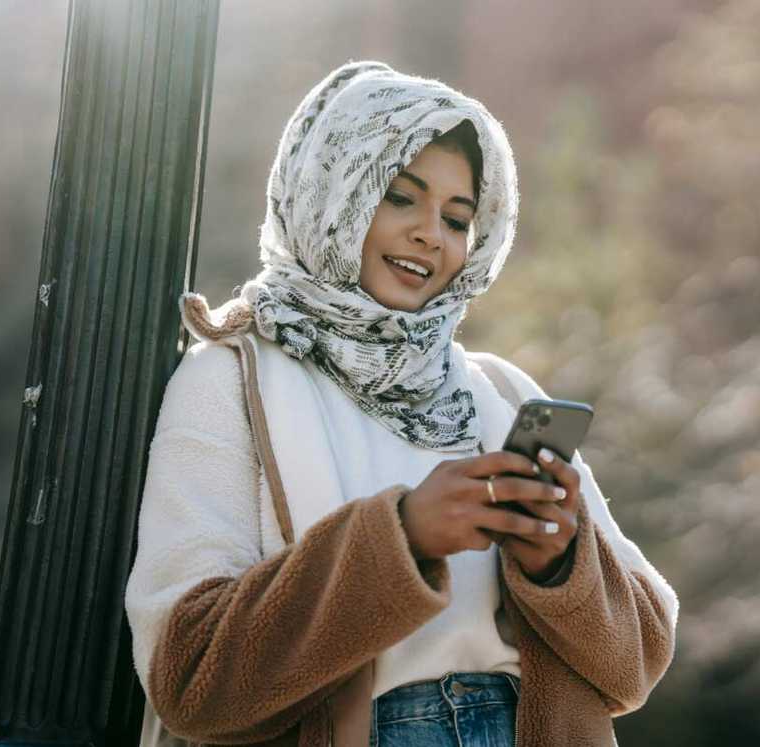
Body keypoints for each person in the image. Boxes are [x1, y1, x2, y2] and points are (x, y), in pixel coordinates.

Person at [124, 60, 678, 747]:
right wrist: (402, 536)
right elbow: (191, 675)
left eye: (457, 216)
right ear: (334, 188)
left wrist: (558, 562)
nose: (431, 234)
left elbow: (639, 660)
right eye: (400, 196)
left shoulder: (501, 393)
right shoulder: (228, 379)